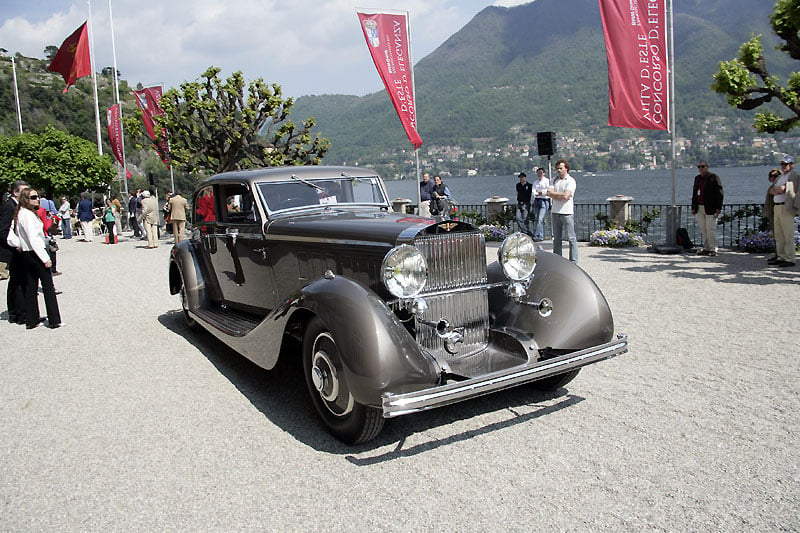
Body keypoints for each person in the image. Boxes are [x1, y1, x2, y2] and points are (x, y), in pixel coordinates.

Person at [12, 188, 62, 329]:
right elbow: (33, 238)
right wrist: (45, 258)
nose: (37, 199)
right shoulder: (26, 215)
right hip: (35, 252)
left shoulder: (23, 214)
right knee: (48, 287)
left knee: (31, 287)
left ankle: (32, 320)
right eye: (33, 197)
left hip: (28, 253)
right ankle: (54, 320)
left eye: (38, 197)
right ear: (25, 199)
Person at [0, 180, 28, 322]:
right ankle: (18, 313)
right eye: (24, 192)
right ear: (16, 193)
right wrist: (16, 245)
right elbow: (3, 230)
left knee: (16, 281)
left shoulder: (17, 206)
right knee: (17, 281)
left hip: (15, 248)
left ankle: (16, 312)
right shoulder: (9, 207)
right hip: (12, 249)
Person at [768, 155, 798, 267]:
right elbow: (772, 190)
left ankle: (790, 258)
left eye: (786, 164)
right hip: (777, 206)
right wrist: (777, 190)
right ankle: (781, 256)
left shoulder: (793, 175)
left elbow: (782, 189)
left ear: (791, 165)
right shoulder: (781, 177)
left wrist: (778, 190)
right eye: (782, 164)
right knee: (779, 233)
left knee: (788, 233)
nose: (784, 166)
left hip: (786, 206)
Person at [547, 159, 578, 263]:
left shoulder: (570, 181)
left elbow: (566, 196)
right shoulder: (554, 180)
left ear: (566, 168)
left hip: (567, 212)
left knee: (571, 238)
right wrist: (559, 195)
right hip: (555, 211)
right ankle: (557, 260)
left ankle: (573, 261)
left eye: (561, 168)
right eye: (557, 168)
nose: (559, 170)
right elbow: (548, 193)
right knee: (557, 239)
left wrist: (555, 194)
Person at [691, 160, 724, 256]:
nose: (700, 169)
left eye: (702, 166)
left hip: (710, 207)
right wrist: (693, 207)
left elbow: (720, 193)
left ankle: (713, 249)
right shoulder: (697, 179)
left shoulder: (714, 177)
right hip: (699, 207)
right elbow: (694, 194)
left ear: (707, 167)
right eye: (699, 167)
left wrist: (718, 207)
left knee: (711, 228)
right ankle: (706, 247)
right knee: (703, 228)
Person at [531, 167, 550, 241]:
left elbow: (547, 191)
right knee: (537, 219)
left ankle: (538, 236)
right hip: (537, 201)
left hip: (544, 201)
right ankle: (539, 235)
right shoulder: (535, 182)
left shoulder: (547, 181)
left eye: (541, 173)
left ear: (544, 173)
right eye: (538, 173)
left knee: (540, 219)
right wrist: (538, 193)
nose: (539, 174)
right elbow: (533, 192)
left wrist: (540, 192)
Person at [515, 172, 533, 236]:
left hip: (526, 203)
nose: (521, 179)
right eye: (520, 177)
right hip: (519, 203)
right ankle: (526, 232)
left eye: (522, 177)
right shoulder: (518, 185)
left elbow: (532, 193)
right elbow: (517, 193)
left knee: (525, 218)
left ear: (525, 178)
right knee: (518, 217)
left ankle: (525, 232)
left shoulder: (529, 185)